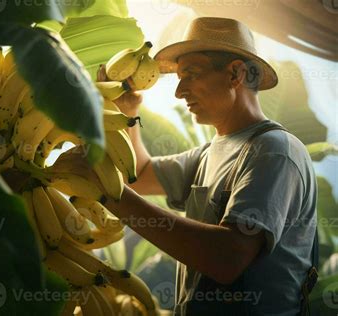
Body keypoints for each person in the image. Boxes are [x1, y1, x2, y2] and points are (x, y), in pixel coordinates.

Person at [97, 17, 318, 315]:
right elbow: (139, 175)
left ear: (235, 74)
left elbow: (228, 259)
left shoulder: (274, 151)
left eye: (191, 73)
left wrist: (109, 195)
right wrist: (128, 112)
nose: (179, 91)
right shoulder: (208, 154)